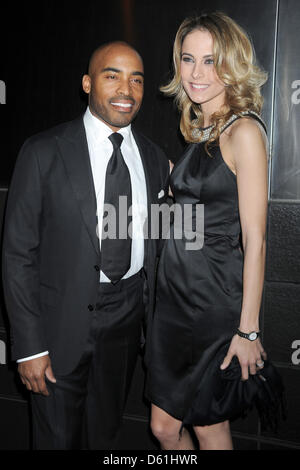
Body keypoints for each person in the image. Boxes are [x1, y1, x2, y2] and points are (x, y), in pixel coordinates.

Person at [2, 41, 169, 450]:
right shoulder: (43, 152)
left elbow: (166, 240)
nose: (125, 89)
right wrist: (28, 347)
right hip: (57, 329)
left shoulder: (154, 158)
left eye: (137, 79)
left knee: (106, 437)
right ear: (87, 83)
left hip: (127, 323)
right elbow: (18, 255)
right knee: (56, 441)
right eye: (112, 76)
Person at [145, 12, 270, 450]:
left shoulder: (244, 131)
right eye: (187, 59)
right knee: (163, 428)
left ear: (232, 65)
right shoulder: (200, 128)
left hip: (211, 304)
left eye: (210, 61)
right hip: (174, 303)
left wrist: (248, 330)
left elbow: (255, 239)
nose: (196, 73)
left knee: (207, 425)